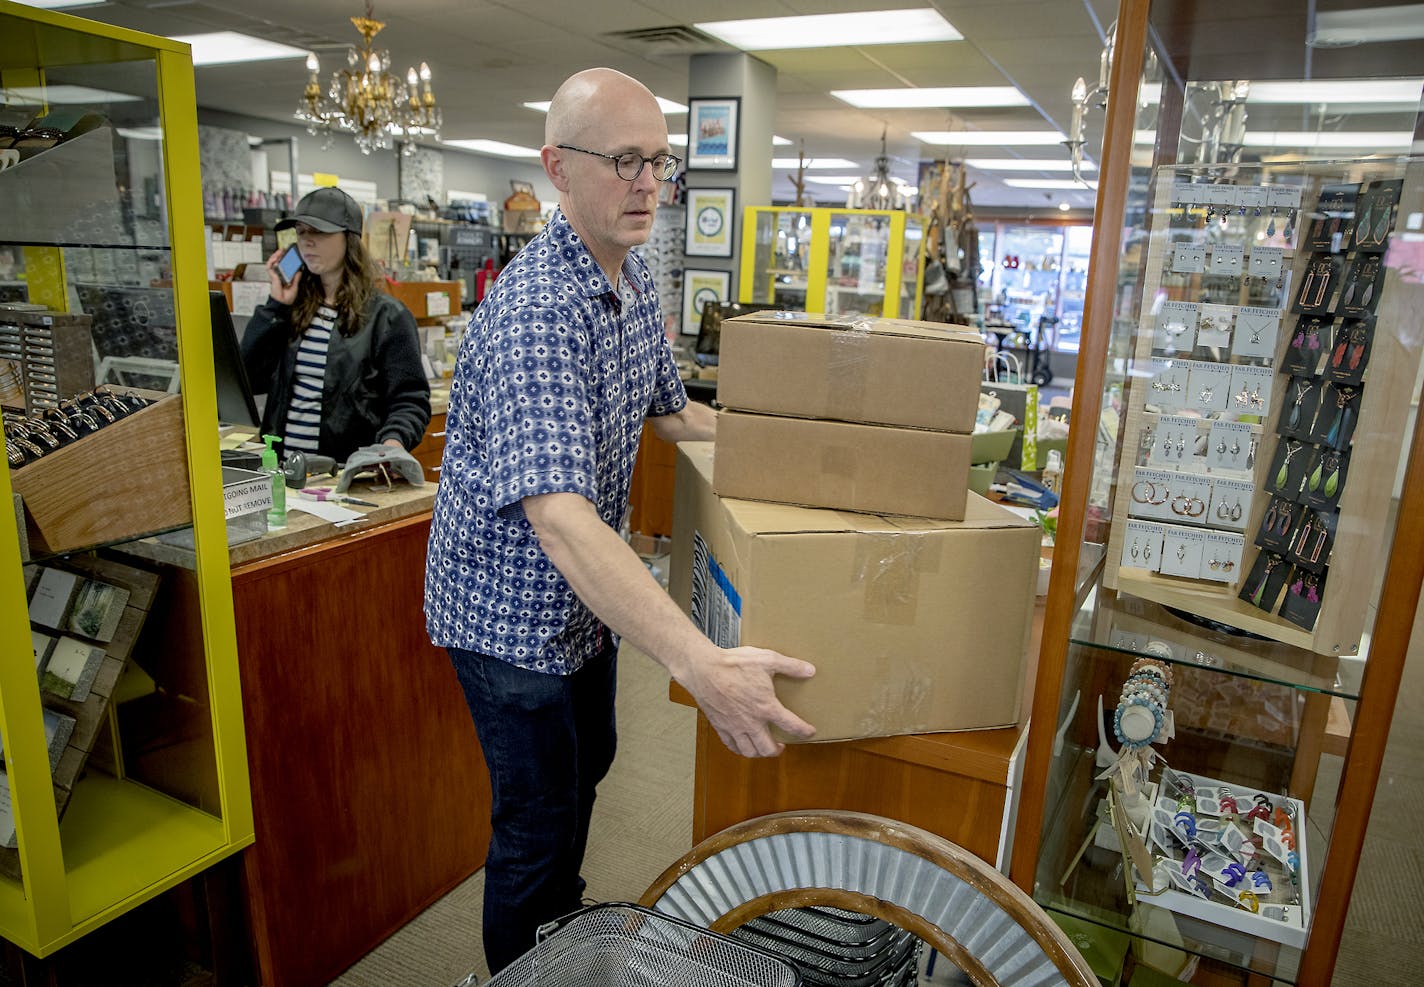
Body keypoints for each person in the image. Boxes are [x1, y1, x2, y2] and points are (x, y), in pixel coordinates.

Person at [424, 68, 816, 974]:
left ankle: (560, 923)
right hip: (506, 614)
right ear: (557, 169)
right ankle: (526, 960)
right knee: (536, 819)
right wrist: (700, 662)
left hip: (584, 604)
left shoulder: (633, 278)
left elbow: (674, 412)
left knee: (590, 760)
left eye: (660, 162)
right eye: (624, 161)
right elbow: (558, 519)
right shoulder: (532, 313)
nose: (649, 184)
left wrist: (796, 447)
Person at [241, 185, 431, 463]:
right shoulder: (292, 309)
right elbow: (249, 379)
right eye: (301, 232)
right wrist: (276, 306)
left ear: (348, 239)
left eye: (318, 232)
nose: (307, 242)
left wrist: (392, 445)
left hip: (345, 470)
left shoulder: (386, 316)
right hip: (284, 469)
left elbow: (409, 400)